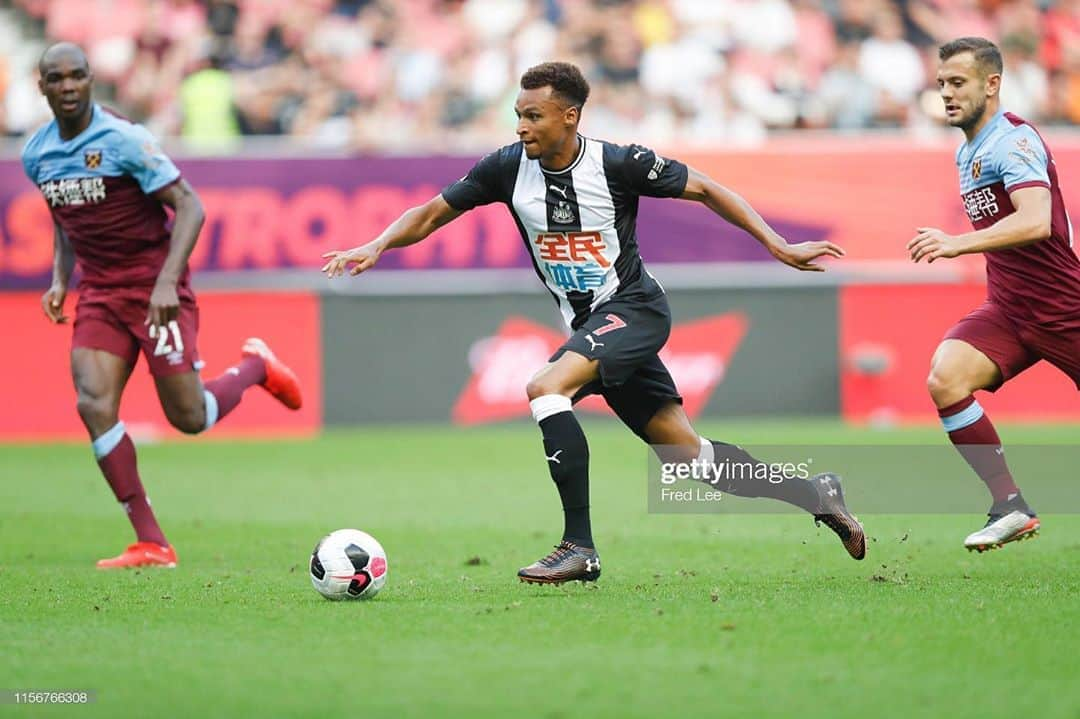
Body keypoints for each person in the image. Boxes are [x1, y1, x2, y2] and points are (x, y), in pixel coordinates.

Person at [323, 62, 865, 584]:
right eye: (518, 113)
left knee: (545, 387)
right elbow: (431, 213)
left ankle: (579, 547)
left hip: (634, 310)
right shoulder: (506, 168)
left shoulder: (619, 164)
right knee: (692, 459)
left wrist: (776, 243)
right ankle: (817, 495)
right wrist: (377, 244)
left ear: (570, 117)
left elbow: (705, 188)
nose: (521, 126)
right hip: (591, 324)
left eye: (534, 115)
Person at [22, 43, 303, 569]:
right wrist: (61, 279)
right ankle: (151, 541)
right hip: (101, 292)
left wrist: (168, 281)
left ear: (89, 81)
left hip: (156, 286)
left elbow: (190, 206)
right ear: (41, 86)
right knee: (92, 403)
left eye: (76, 76)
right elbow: (65, 216)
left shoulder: (124, 139)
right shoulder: (36, 153)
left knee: (190, 417)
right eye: (55, 78)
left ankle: (255, 368)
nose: (66, 86)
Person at [909, 37, 1080, 552]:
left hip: (1061, 306)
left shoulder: (1013, 140)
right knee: (946, 379)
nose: (947, 93)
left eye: (958, 83)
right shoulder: (969, 150)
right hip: (1009, 308)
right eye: (941, 84)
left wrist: (957, 243)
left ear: (992, 84)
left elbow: (1034, 223)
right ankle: (1009, 505)